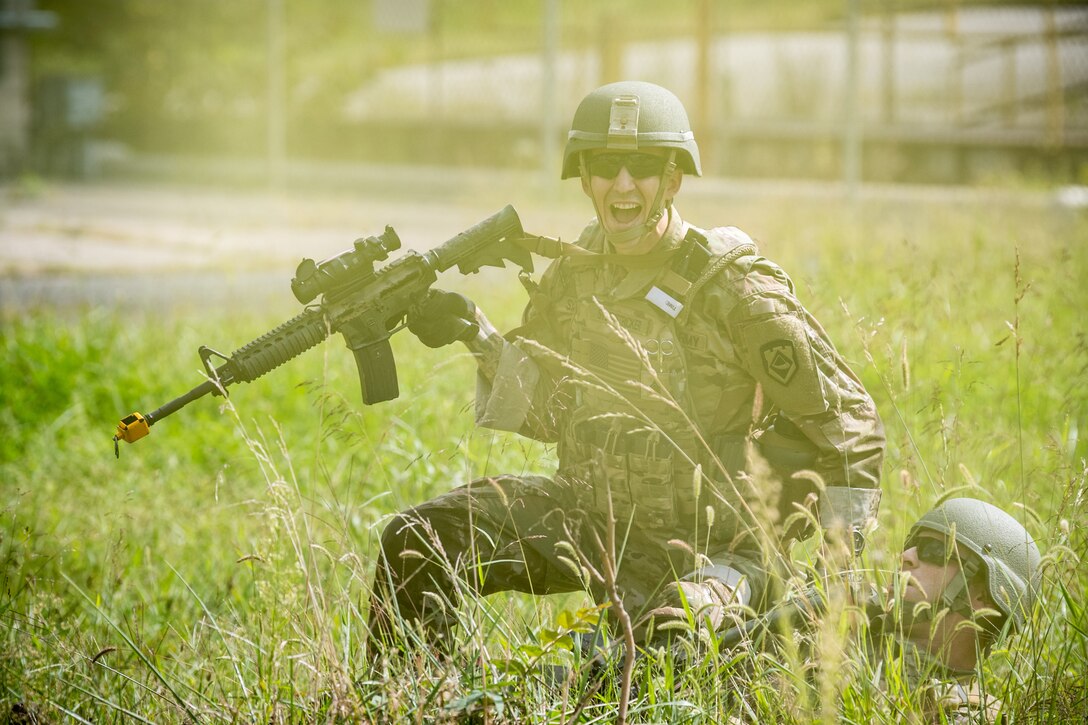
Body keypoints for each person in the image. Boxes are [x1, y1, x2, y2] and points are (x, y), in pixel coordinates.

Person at [367, 81, 885, 656]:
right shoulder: (575, 280)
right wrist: (474, 332)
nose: (622, 184)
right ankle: (416, 705)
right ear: (585, 178)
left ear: (672, 179)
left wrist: (836, 577)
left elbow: (851, 426)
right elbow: (553, 410)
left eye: (641, 166)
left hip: (718, 552)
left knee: (642, 653)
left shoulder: (736, 290)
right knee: (418, 542)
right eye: (606, 165)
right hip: (592, 521)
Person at [871, 497, 1042, 723]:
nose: (905, 557)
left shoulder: (961, 715)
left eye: (932, 550)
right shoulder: (841, 630)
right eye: (910, 546)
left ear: (983, 597)